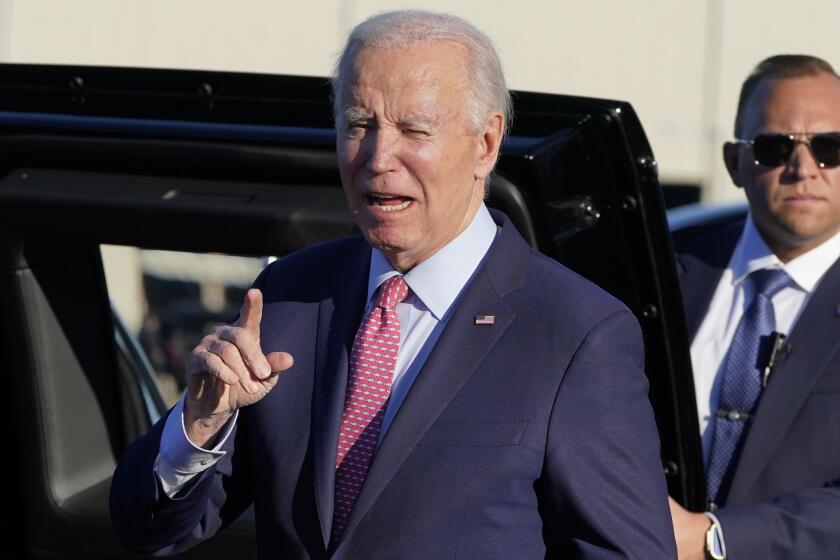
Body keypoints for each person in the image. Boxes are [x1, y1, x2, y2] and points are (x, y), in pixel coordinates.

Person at [110, 10, 675, 559]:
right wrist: (202, 422)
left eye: (414, 129)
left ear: (485, 143)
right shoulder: (290, 295)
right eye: (359, 125)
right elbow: (151, 530)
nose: (379, 158)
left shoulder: (575, 331)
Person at [670, 54, 840, 560]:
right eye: (774, 146)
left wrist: (715, 537)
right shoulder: (661, 268)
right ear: (734, 162)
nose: (803, 167)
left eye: (829, 147)